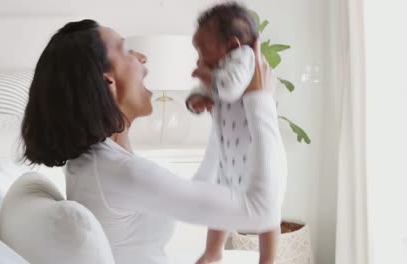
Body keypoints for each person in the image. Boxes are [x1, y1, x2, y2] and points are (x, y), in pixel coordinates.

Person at [21, 19, 286, 264]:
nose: (142, 56)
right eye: (126, 51)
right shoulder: (122, 173)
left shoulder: (91, 162)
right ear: (108, 81)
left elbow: (198, 189)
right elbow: (262, 210)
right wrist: (261, 103)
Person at [185, 3, 286, 264]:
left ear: (231, 46)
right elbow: (211, 90)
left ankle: (267, 260)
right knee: (221, 205)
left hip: (259, 157)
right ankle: (213, 250)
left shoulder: (245, 59)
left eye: (202, 49)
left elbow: (228, 88)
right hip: (231, 156)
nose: (199, 57)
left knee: (269, 212)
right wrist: (197, 98)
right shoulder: (221, 68)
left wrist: (208, 77)